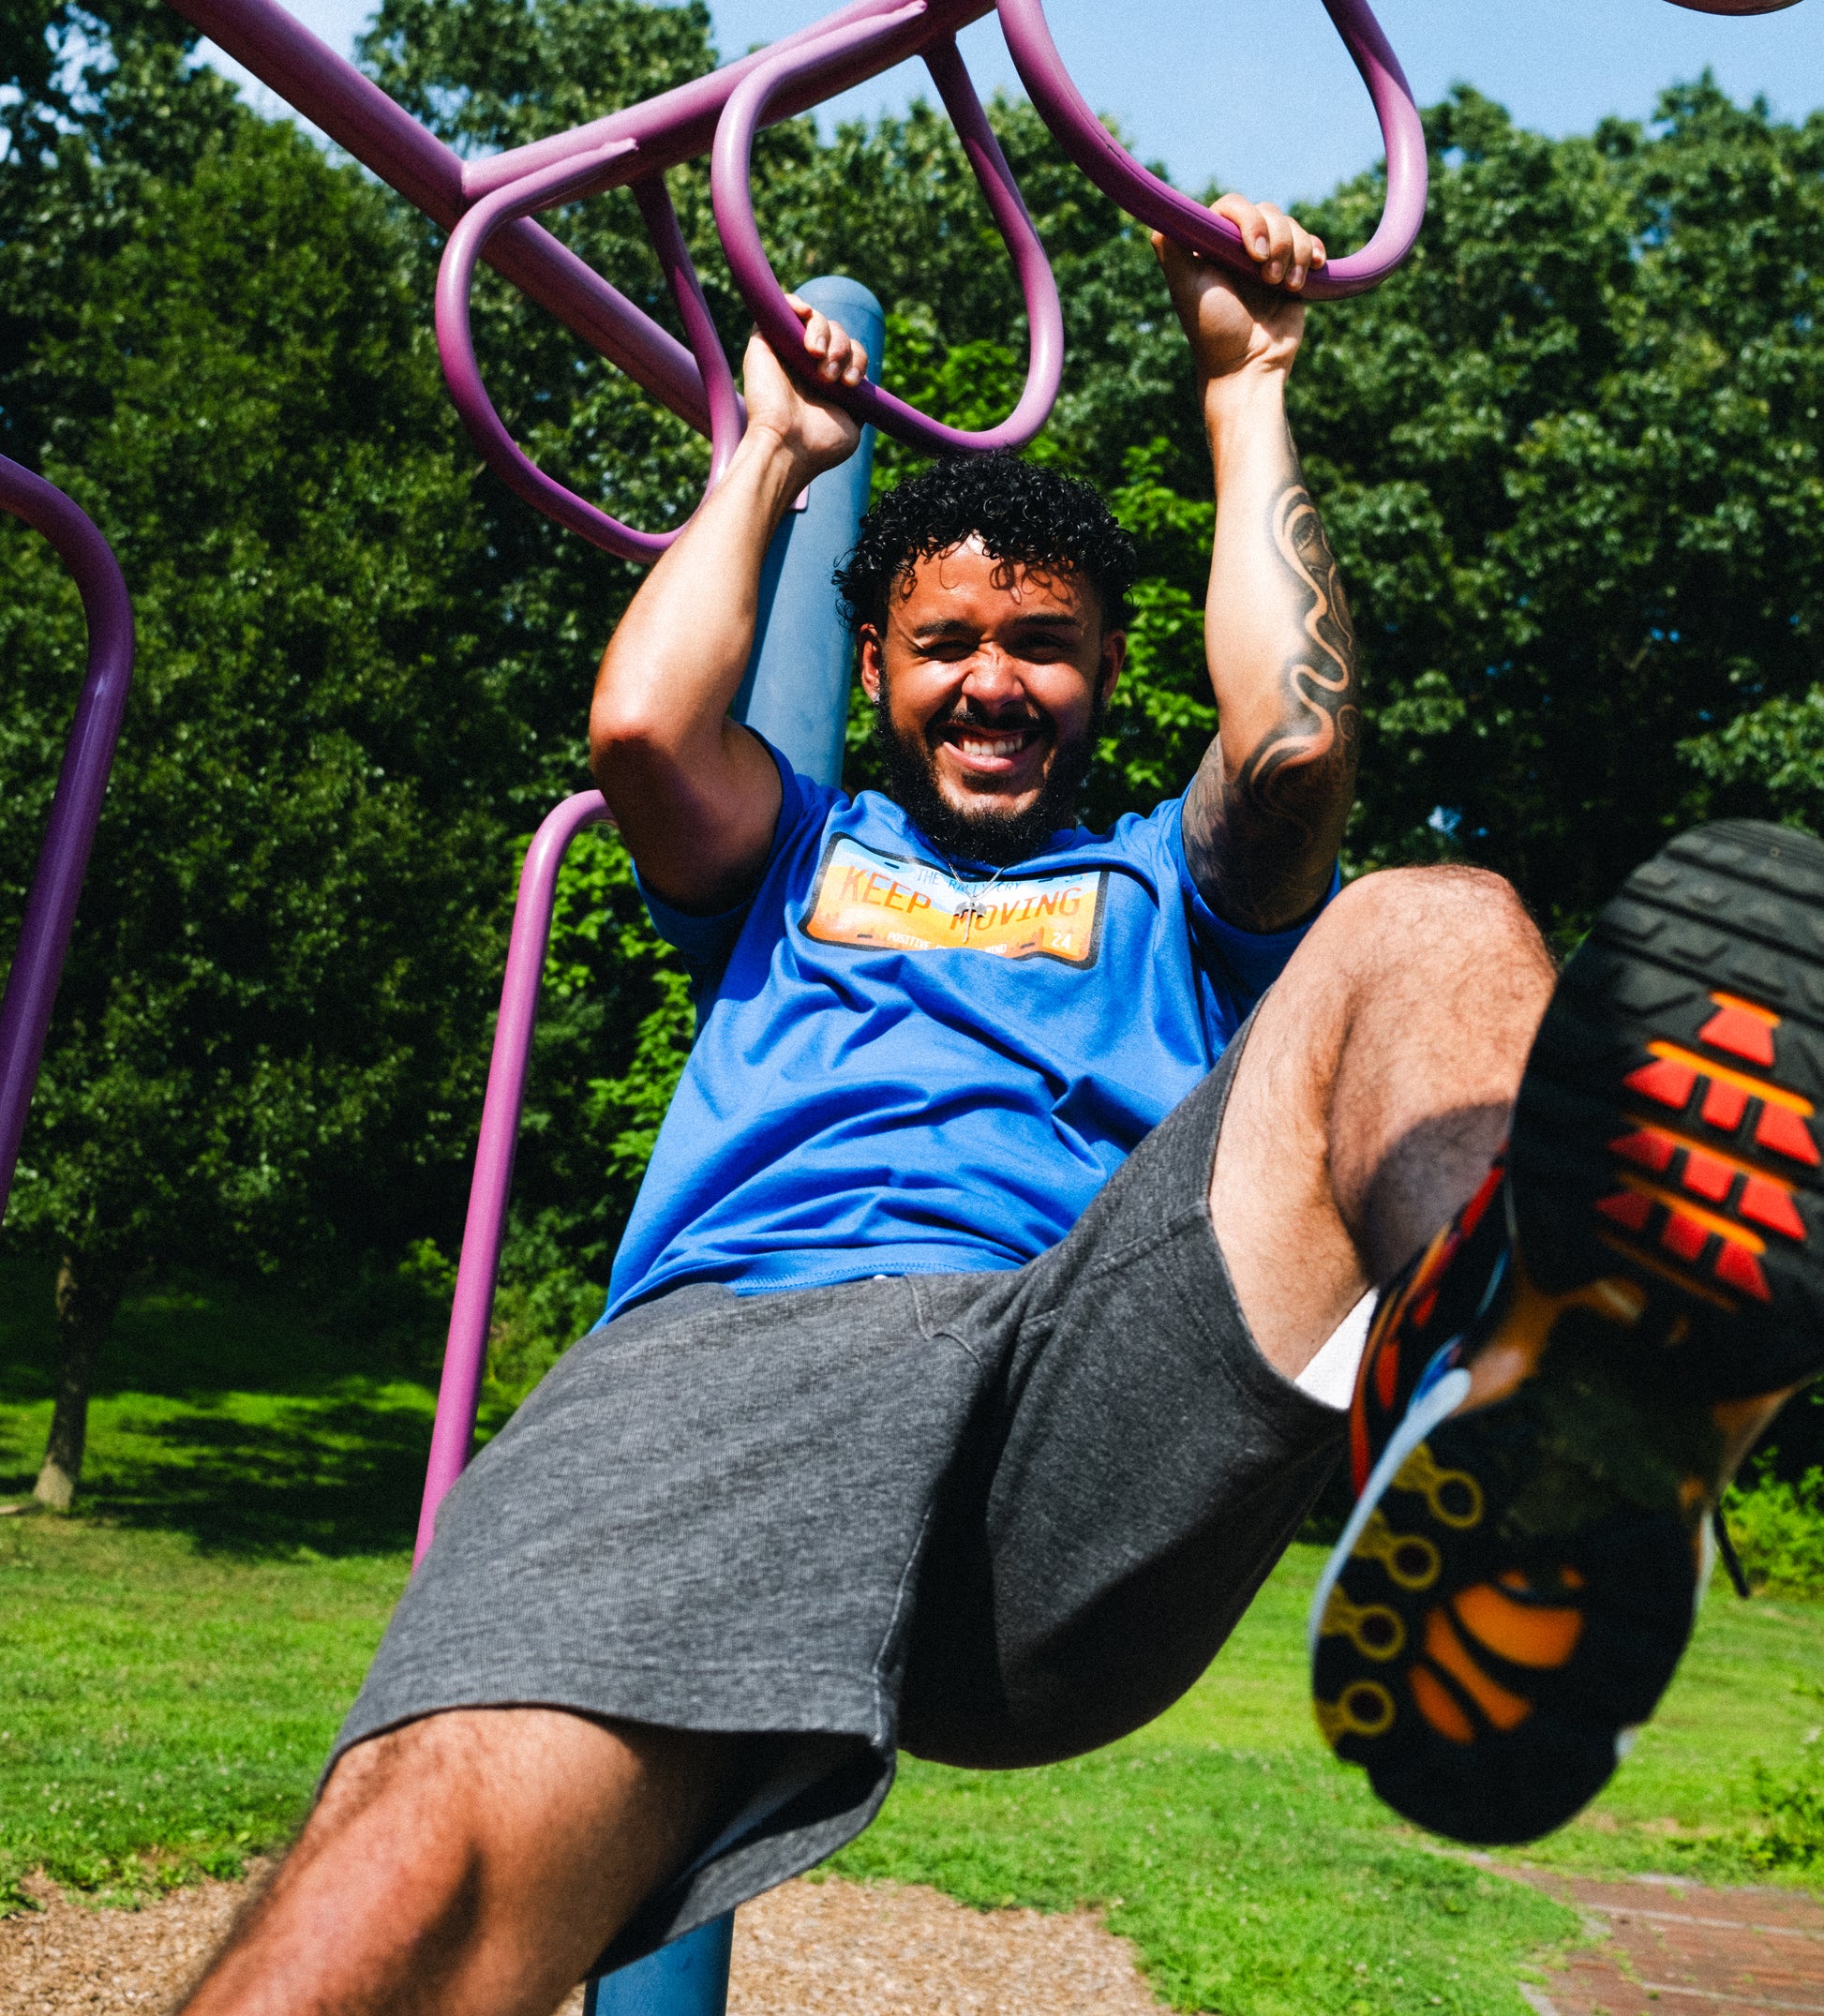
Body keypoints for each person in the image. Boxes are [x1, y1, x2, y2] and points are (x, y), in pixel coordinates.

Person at [183, 198, 1824, 2016]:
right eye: (944, 639)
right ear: (877, 668)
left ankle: (1553, 1388)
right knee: (407, 1889)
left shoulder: (1164, 890)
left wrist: (1246, 384)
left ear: (1104, 670)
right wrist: (774, 450)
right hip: (733, 1366)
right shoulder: (790, 848)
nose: (992, 678)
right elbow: (642, 730)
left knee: (1427, 925)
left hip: (1066, 1402)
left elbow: (1291, 743)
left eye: (1041, 640)